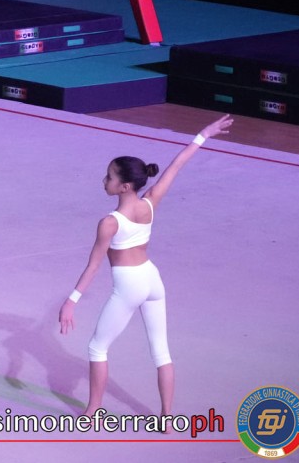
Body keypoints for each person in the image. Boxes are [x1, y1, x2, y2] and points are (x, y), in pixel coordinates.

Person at [58, 115, 234, 416]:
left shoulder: (110, 223)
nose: (104, 180)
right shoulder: (151, 202)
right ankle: (166, 417)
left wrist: (71, 302)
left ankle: (93, 412)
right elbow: (176, 166)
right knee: (161, 352)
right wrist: (203, 134)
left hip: (129, 285)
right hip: (152, 279)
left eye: (109, 177)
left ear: (124, 186)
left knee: (97, 347)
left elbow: (93, 266)